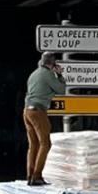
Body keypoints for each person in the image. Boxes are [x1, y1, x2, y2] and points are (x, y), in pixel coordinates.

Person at [24, 52, 66, 186]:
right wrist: (59, 75)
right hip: (38, 111)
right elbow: (61, 90)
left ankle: (30, 175)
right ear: (52, 63)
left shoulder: (34, 74)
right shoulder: (47, 75)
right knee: (45, 143)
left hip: (27, 111)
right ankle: (37, 176)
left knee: (33, 144)